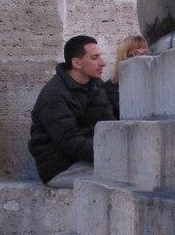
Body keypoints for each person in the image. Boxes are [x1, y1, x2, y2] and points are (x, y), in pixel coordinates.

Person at [29, 35, 113, 188]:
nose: (103, 63)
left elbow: (109, 125)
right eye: (95, 58)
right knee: (121, 181)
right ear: (76, 62)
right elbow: (69, 142)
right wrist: (110, 154)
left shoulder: (96, 86)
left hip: (89, 158)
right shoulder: (54, 94)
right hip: (60, 167)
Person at [104, 34, 148, 119]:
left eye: (145, 54)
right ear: (123, 57)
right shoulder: (108, 90)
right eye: (135, 54)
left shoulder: (154, 86)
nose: (142, 59)